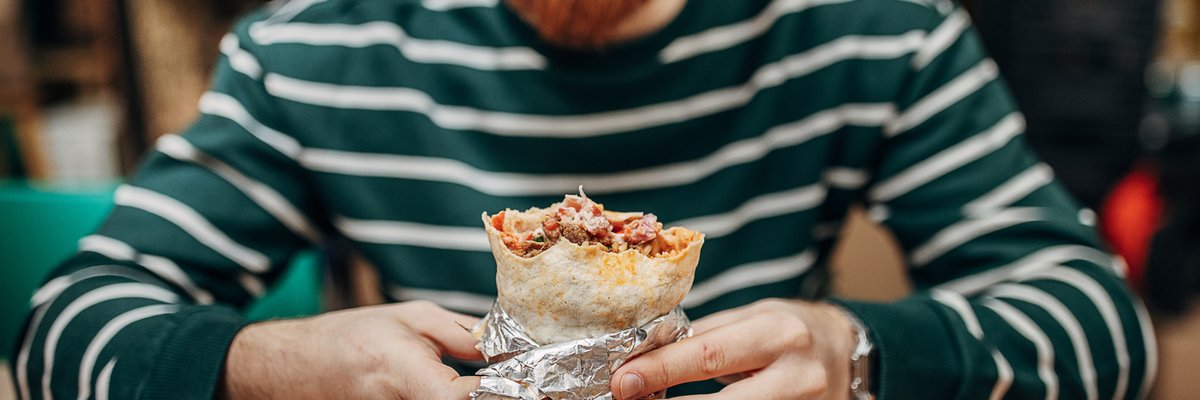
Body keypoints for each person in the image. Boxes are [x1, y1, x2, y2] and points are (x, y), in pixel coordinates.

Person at [13, 0, 1156, 398]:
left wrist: (855, 352)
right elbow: (61, 330)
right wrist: (276, 364)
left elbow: (1106, 329)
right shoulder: (307, 47)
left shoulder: (878, 28)